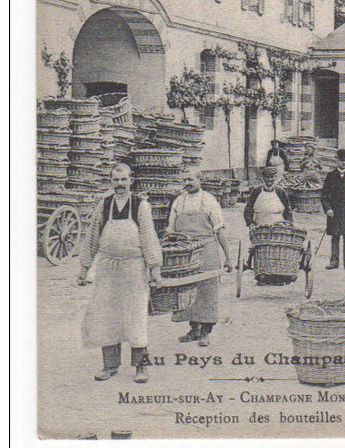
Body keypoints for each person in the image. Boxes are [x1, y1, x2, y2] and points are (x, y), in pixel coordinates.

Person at [77, 163, 162, 383]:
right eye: (115, 180)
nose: (120, 184)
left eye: (123, 180)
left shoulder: (140, 205)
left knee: (135, 316)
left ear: (130, 181)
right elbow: (92, 237)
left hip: (134, 268)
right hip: (108, 268)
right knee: (107, 316)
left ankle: (141, 367)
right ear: (111, 181)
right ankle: (110, 366)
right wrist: (84, 268)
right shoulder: (104, 205)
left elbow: (149, 238)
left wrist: (155, 270)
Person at [169, 170, 233, 347]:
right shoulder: (178, 202)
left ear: (200, 180)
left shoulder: (209, 201)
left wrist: (228, 257)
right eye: (185, 179)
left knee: (207, 290)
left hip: (207, 250)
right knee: (188, 290)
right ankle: (193, 329)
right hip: (186, 253)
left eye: (190, 179)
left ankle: (206, 331)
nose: (187, 182)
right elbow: (171, 230)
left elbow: (219, 229)